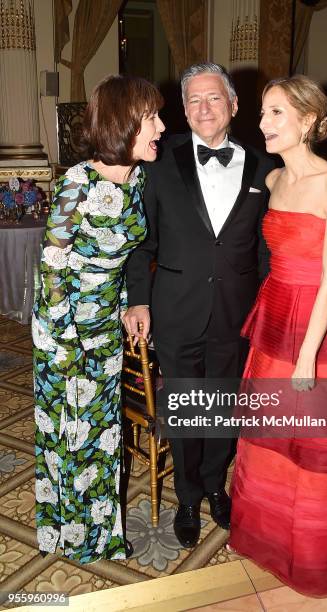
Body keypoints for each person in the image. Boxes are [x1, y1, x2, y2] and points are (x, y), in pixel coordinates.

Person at [229, 75, 327, 597]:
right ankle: (267, 538)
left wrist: (306, 358)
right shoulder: (274, 180)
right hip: (274, 314)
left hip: (318, 328)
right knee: (271, 437)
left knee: (318, 446)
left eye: (275, 113)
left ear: (309, 120)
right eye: (262, 113)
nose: (262, 124)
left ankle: (317, 555)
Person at [123, 62, 275, 548]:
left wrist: (269, 306)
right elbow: (139, 243)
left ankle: (215, 484)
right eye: (193, 99)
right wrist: (139, 301)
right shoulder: (156, 160)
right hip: (175, 307)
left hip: (237, 309)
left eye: (214, 98)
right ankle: (188, 496)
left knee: (223, 404)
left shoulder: (265, 167)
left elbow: (267, 248)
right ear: (182, 109)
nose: (203, 108)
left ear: (233, 106)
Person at [33, 74, 165, 564]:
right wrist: (68, 345)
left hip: (106, 322)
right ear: (124, 121)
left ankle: (100, 532)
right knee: (72, 430)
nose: (160, 125)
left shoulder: (139, 177)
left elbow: (134, 250)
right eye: (151, 116)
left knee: (104, 432)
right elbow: (51, 268)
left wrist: (134, 302)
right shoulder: (75, 183)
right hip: (64, 329)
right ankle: (68, 532)